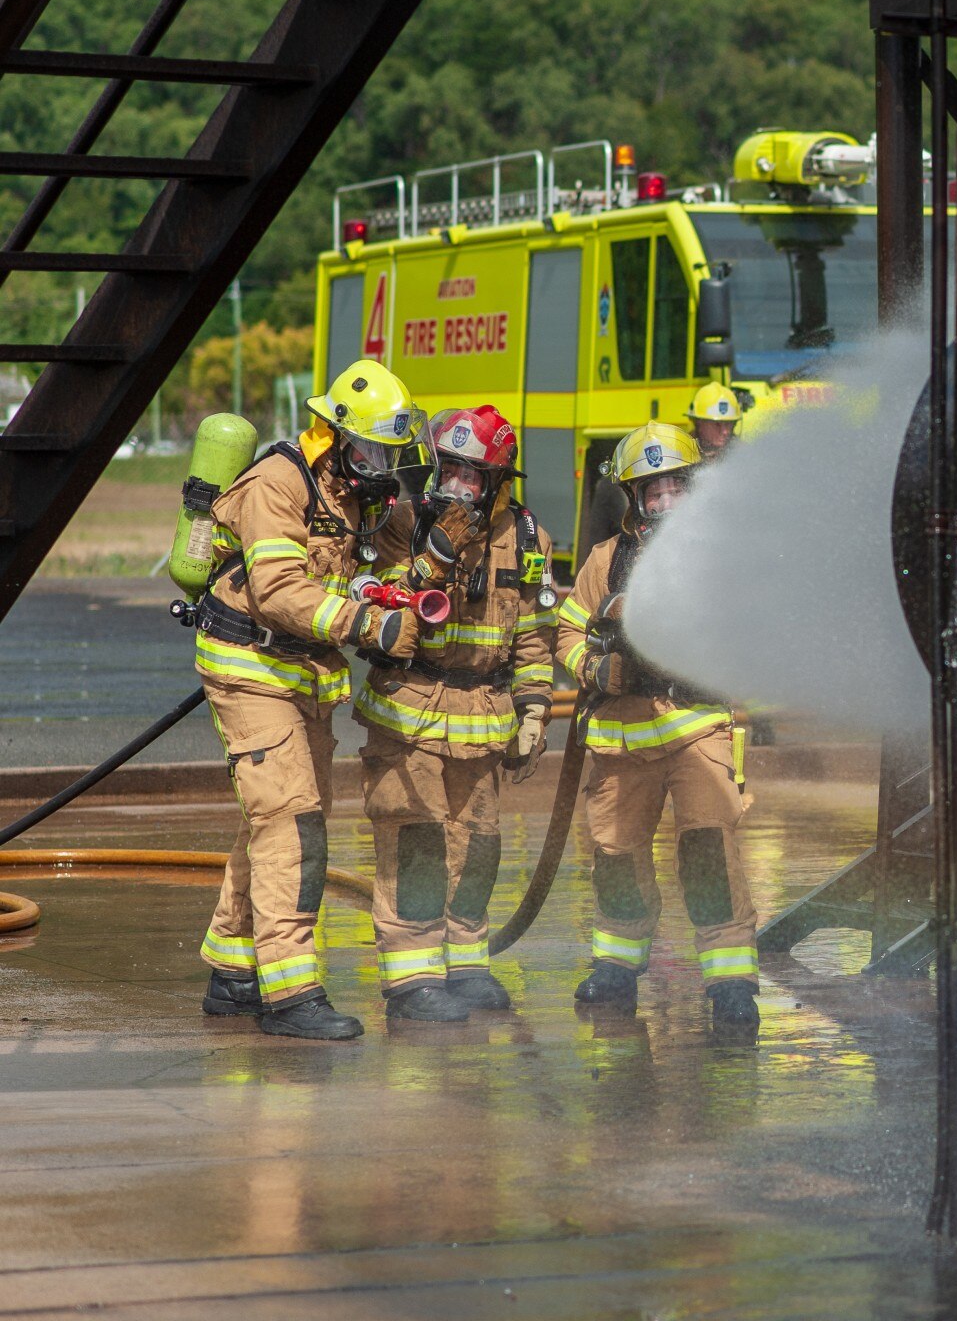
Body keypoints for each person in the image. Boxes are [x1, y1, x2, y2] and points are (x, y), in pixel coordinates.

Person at [194, 359, 424, 1041]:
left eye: (393, 452)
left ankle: (233, 972)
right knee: (293, 826)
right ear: (337, 435)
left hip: (303, 677)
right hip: (250, 667)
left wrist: (417, 569)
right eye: (375, 449)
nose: (384, 465)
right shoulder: (276, 483)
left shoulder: (355, 492)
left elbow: (382, 559)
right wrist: (365, 624)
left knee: (277, 821)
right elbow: (279, 593)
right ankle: (290, 992)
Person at [556, 421, 760, 1031]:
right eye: (653, 492)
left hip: (696, 730)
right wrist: (596, 667)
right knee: (615, 856)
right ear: (634, 500)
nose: (665, 502)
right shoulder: (604, 560)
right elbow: (565, 634)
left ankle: (729, 982)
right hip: (622, 740)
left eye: (675, 488)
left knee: (707, 851)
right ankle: (617, 965)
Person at [355, 405, 557, 1022]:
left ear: (497, 481)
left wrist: (533, 710)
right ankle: (412, 977)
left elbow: (535, 633)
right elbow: (385, 623)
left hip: (484, 713)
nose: (462, 486)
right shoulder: (401, 525)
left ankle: (466, 962)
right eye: (454, 470)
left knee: (479, 845)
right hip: (409, 708)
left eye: (476, 476)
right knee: (417, 841)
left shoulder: (526, 539)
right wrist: (438, 553)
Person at [686, 382, 740, 462]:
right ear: (698, 422)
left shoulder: (743, 453)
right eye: (717, 424)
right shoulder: (682, 452)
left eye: (728, 424)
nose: (725, 431)